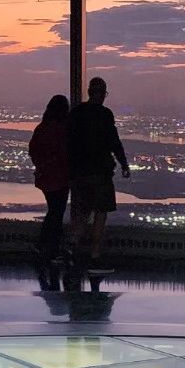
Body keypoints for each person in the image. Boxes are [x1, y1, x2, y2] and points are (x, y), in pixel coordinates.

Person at [66, 77, 130, 271]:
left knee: (81, 212)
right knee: (100, 214)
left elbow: (69, 142)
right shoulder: (105, 115)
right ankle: (95, 256)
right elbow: (114, 142)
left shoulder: (76, 113)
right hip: (101, 173)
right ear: (102, 94)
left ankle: (74, 251)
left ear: (88, 91)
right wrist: (124, 164)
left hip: (79, 173)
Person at [28, 94, 71, 280]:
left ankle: (49, 246)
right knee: (56, 212)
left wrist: (41, 166)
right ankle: (49, 247)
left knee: (54, 211)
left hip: (46, 178)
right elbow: (65, 152)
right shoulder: (62, 129)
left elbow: (33, 151)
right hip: (60, 177)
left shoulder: (42, 128)